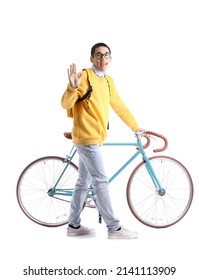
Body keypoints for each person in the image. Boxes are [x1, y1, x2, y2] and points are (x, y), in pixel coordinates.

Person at [61, 42, 144, 239]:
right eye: (98, 55)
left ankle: (73, 225)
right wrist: (73, 87)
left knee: (83, 181)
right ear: (91, 58)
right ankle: (114, 228)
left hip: (95, 138)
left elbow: (118, 105)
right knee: (101, 181)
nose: (102, 58)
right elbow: (65, 103)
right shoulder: (84, 76)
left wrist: (135, 126)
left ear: (110, 58)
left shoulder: (108, 81)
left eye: (106, 55)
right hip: (87, 138)